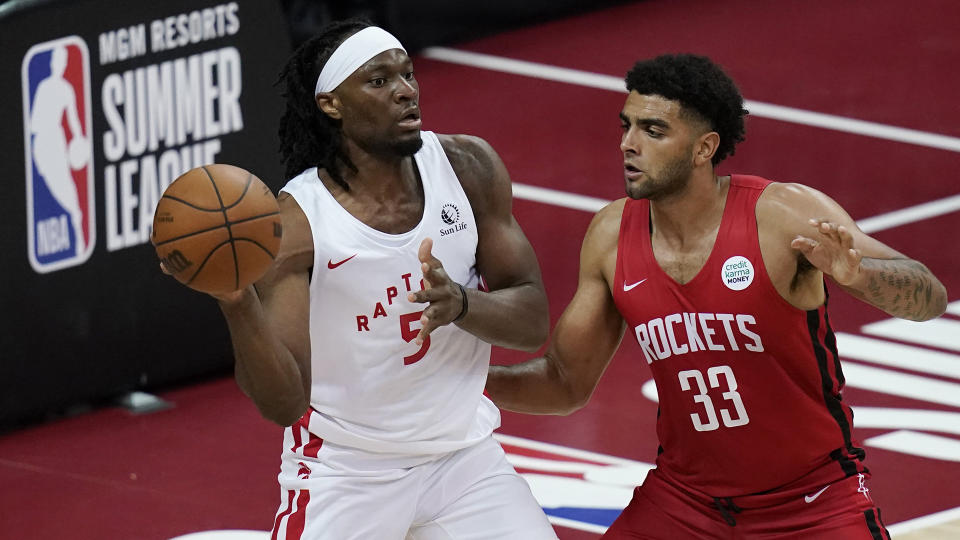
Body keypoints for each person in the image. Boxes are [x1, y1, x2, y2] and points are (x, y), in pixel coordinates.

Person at [484, 54, 948, 539]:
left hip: (812, 503)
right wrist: (462, 381)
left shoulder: (782, 216)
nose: (628, 144)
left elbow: (930, 295)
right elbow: (564, 383)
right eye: (626, 126)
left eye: (653, 131)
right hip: (686, 504)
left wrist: (858, 275)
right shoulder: (611, 234)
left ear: (704, 147)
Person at [163, 20, 559, 540]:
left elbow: (532, 322)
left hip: (465, 459)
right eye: (378, 81)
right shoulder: (300, 223)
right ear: (331, 104)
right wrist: (237, 303)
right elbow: (282, 404)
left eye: (407, 74)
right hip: (348, 471)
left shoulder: (467, 169)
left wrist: (461, 303)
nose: (404, 90)